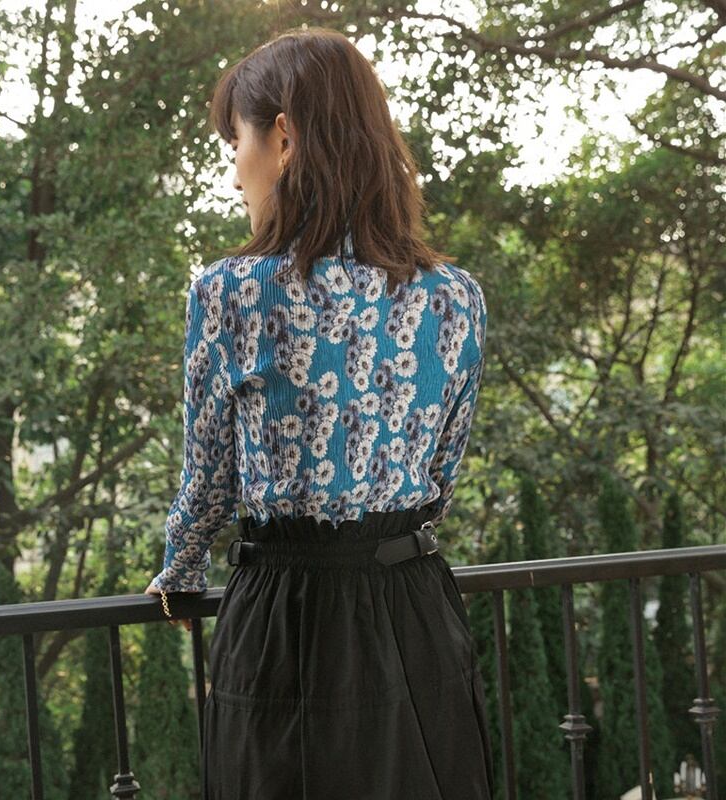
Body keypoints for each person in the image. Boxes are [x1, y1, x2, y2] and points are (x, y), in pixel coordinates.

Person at [145, 25, 494, 800]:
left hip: (287, 621)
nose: (234, 168)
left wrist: (180, 571)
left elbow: (209, 483)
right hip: (414, 610)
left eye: (235, 141)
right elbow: (440, 476)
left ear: (283, 137)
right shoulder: (455, 297)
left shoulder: (232, 293)